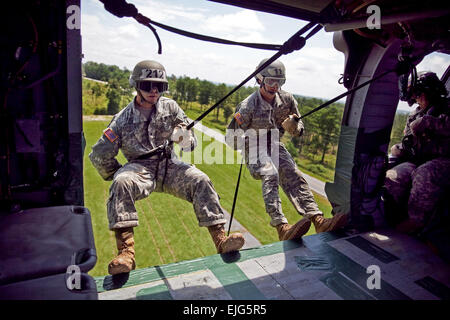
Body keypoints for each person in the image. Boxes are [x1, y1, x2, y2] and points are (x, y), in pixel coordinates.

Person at [89, 60, 244, 275]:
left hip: (169, 165)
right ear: (136, 86)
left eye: (159, 86)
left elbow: (191, 145)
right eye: (147, 85)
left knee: (200, 179)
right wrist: (117, 173)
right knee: (122, 182)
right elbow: (99, 155)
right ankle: (126, 254)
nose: (154, 91)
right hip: (139, 170)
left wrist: (184, 137)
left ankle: (220, 240)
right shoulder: (122, 120)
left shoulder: (171, 108)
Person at [226, 58, 347, 241]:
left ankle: (318, 220)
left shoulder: (287, 99)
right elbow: (231, 139)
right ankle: (281, 226)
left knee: (293, 173)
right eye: (270, 81)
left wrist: (294, 128)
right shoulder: (247, 106)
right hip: (253, 147)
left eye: (279, 82)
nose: (274, 86)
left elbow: (299, 128)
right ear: (259, 80)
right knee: (270, 173)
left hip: (274, 143)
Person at [385, 71, 450, 234]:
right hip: (419, 159)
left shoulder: (447, 108)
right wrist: (400, 149)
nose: (416, 98)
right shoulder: (415, 114)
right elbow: (409, 141)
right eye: (414, 95)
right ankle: (387, 214)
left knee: (425, 173)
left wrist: (430, 123)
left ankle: (416, 222)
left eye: (419, 94)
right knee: (393, 175)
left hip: (444, 160)